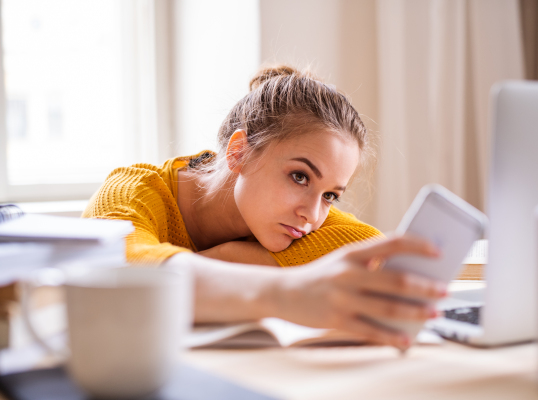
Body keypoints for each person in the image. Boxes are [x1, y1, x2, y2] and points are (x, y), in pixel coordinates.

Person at [83, 65, 446, 350]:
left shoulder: (292, 215)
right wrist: (286, 290)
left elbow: (367, 250)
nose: (313, 215)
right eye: (300, 177)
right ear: (239, 152)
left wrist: (229, 257)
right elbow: (115, 271)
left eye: (330, 195)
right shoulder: (130, 191)